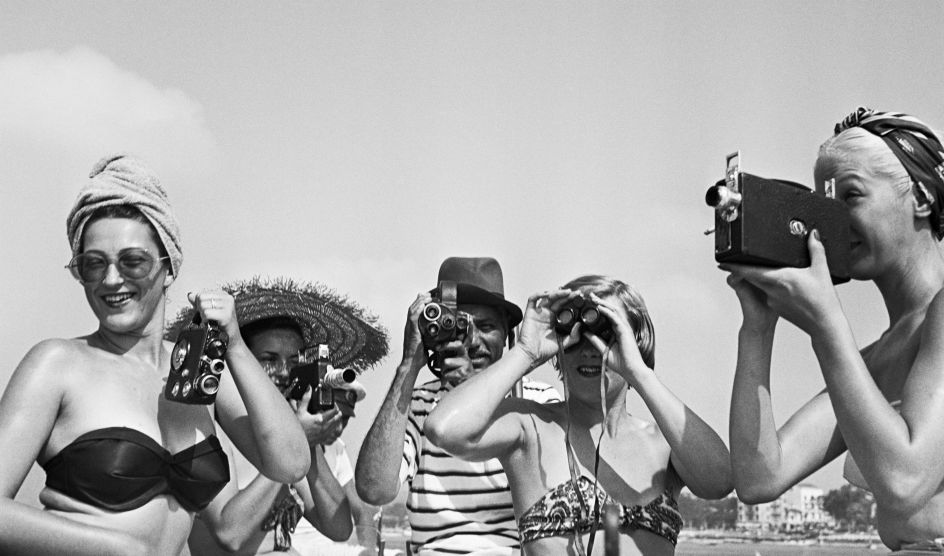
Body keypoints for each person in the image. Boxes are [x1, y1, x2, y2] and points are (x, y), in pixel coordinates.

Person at [0, 154, 310, 555]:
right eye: (93, 265)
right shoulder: (57, 364)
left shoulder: (198, 373)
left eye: (133, 261)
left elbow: (289, 465)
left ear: (169, 265)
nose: (112, 279)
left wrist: (234, 345)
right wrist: (119, 549)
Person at [721, 107, 944, 552]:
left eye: (851, 196)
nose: (832, 221)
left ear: (921, 198)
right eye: (825, 203)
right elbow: (759, 476)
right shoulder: (873, 358)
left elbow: (905, 482)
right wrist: (758, 329)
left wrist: (826, 323)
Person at [426, 275, 733, 555]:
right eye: (575, 337)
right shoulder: (530, 428)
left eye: (605, 333)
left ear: (635, 339)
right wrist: (526, 353)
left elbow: (719, 481)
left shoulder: (664, 444)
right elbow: (444, 429)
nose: (589, 349)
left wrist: (638, 371)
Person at [355, 257, 561, 555]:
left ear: (509, 336)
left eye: (487, 326)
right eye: (460, 326)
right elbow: (374, 489)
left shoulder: (540, 401)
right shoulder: (415, 405)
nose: (474, 341)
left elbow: (558, 500)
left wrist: (473, 392)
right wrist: (408, 365)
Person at [173, 277, 388, 555]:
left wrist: (305, 442)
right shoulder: (207, 424)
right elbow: (231, 533)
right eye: (269, 359)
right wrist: (286, 456)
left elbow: (338, 527)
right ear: (240, 360)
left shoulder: (287, 429)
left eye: (294, 361)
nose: (284, 372)